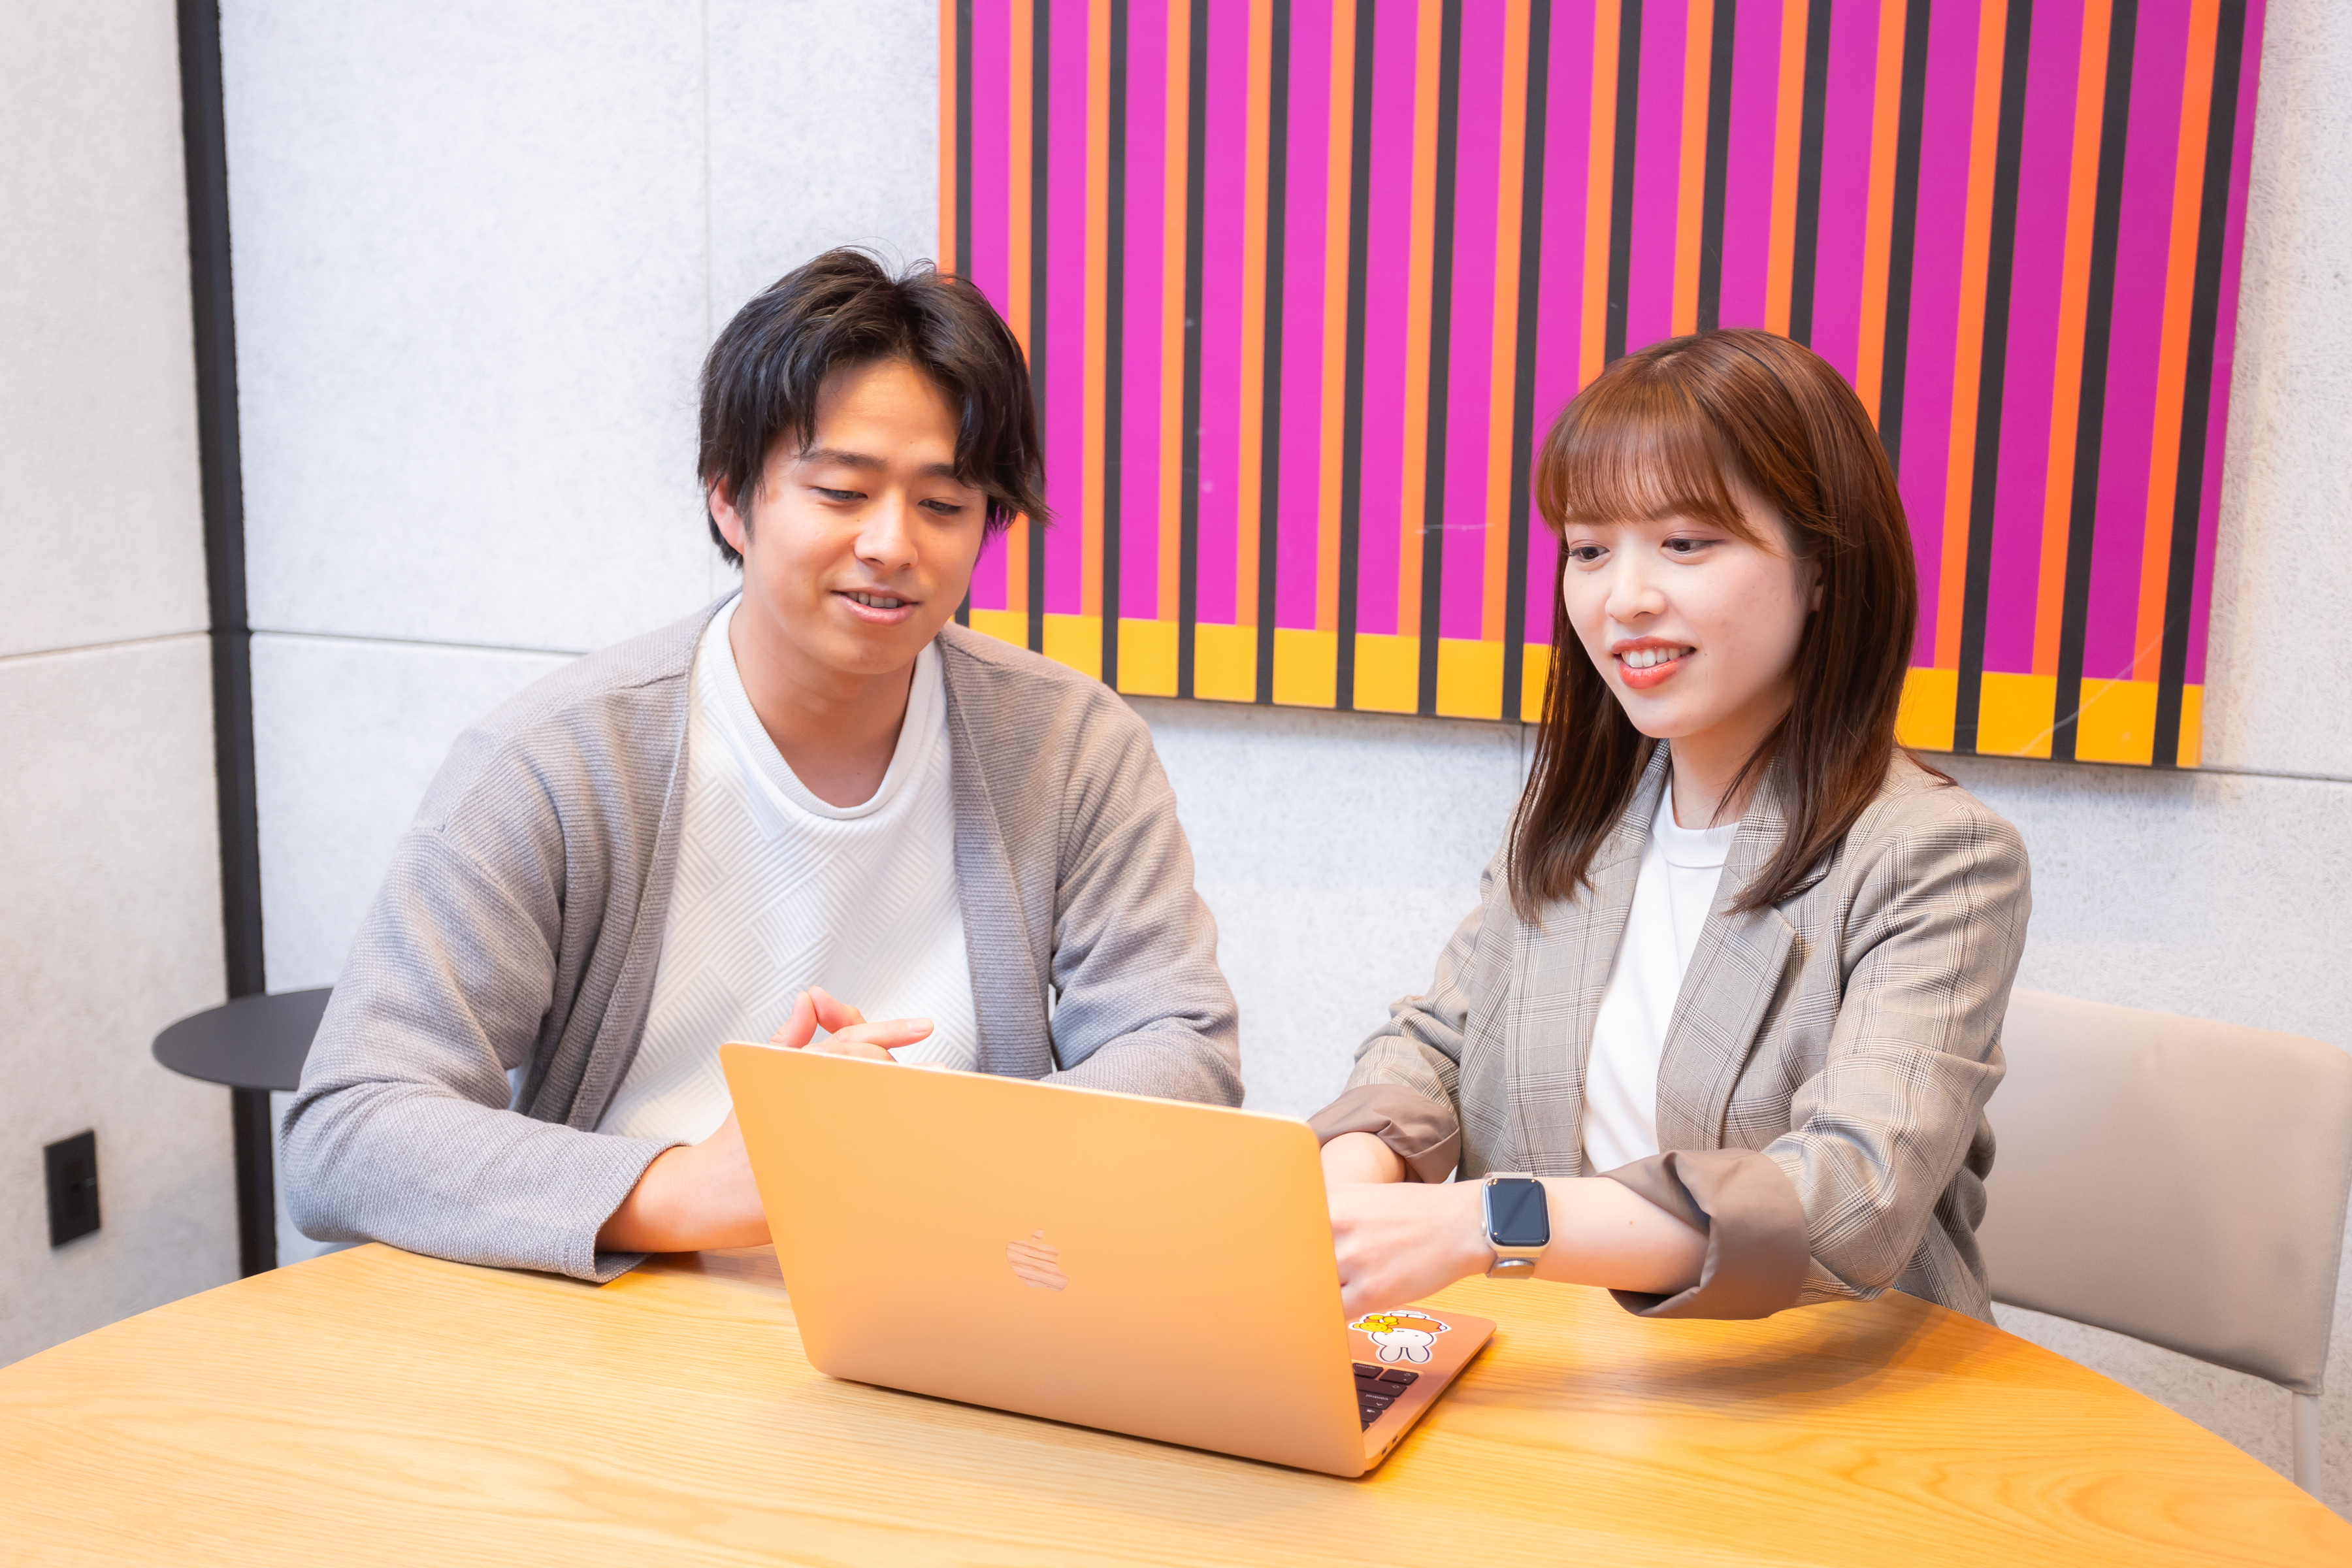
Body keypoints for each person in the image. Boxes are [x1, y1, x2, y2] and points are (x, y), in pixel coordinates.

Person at [284, 250, 1240, 1282]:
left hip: (950, 1299)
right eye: (842, 491)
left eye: (944, 504)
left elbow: (1181, 1049)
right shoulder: (559, 760)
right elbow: (350, 1129)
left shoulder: (1070, 745)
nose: (891, 544)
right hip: (622, 1307)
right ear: (730, 500)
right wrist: (698, 1187)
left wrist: (934, 1149)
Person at [1312, 329, 2029, 1324]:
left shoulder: (1934, 857)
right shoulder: (1581, 818)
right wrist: (1353, 1175)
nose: (1626, 599)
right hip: (1572, 1367)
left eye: (1686, 543)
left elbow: (1852, 1195)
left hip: (1826, 1380)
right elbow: (1436, 1044)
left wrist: (1490, 1224)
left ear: (1823, 568)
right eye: (1589, 551)